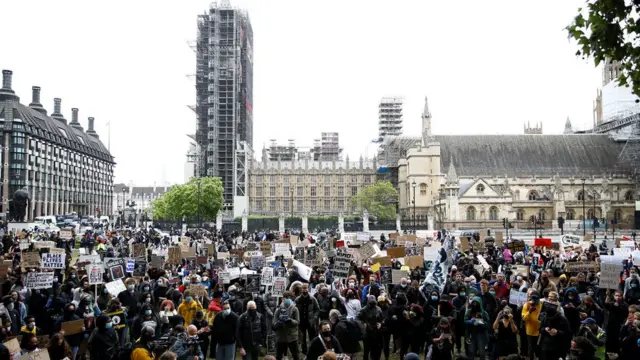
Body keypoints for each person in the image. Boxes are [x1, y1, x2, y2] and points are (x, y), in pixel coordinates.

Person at [273, 292, 300, 360]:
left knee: (295, 355)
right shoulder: (278, 309)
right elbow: (274, 324)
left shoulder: (295, 309)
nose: (287, 299)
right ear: (282, 298)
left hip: (292, 337)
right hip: (281, 337)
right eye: (285, 298)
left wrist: (290, 320)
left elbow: (297, 322)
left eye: (289, 298)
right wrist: (280, 322)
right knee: (278, 356)